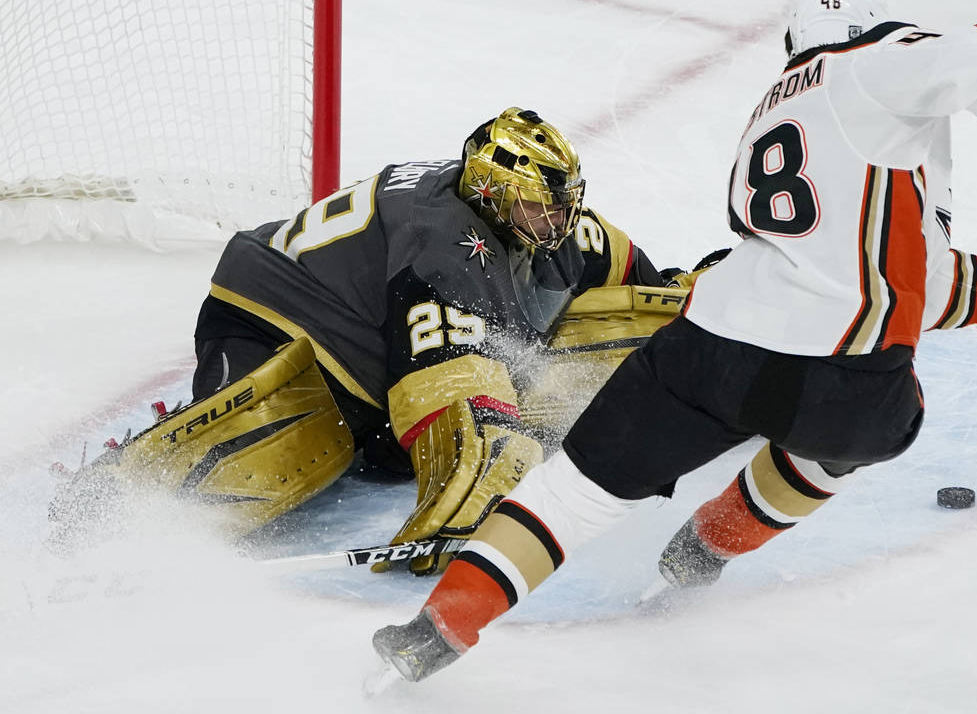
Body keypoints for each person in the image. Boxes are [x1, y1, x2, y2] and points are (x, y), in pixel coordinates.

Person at [370, 0, 977, 680]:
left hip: (710, 348)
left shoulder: (772, 107)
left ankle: (434, 630)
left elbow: (870, 262)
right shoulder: (878, 62)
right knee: (852, 437)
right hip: (846, 377)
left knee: (574, 492)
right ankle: (701, 554)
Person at [47, 107, 684, 568]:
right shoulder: (444, 248)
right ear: (493, 194)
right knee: (259, 450)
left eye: (565, 202)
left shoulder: (536, 224)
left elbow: (622, 267)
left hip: (366, 330)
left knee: (379, 443)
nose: (559, 219)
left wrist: (703, 307)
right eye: (542, 206)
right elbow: (448, 390)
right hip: (270, 316)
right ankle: (108, 493)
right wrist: (464, 505)